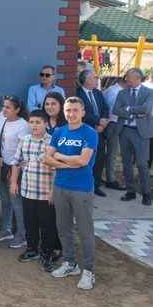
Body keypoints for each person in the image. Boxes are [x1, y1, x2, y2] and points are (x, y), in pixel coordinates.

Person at [43, 97, 98, 290]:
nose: (71, 114)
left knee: (85, 232)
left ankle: (89, 271)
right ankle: (70, 263)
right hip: (60, 186)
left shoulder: (90, 133)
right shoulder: (59, 132)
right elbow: (46, 158)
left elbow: (83, 161)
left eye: (75, 110)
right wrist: (67, 162)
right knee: (63, 228)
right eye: (68, 110)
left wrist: (59, 157)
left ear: (82, 112)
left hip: (82, 189)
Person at [10, 110, 59, 271]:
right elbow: (16, 163)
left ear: (45, 123)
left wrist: (53, 191)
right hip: (28, 190)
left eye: (38, 122)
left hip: (46, 192)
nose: (34, 125)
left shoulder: (52, 142)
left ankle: (47, 252)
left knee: (47, 224)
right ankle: (32, 249)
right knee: (30, 222)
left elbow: (57, 169)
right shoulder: (24, 141)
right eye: (31, 122)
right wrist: (13, 183)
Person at [113, 68, 153, 206]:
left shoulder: (150, 92)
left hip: (141, 132)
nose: (126, 80)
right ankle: (130, 191)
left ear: (138, 78)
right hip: (124, 131)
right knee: (126, 163)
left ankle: (146, 194)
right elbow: (116, 110)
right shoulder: (122, 92)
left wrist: (128, 109)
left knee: (142, 164)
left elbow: (147, 109)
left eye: (129, 77)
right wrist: (135, 112)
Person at [0, 96, 29, 249]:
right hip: (3, 167)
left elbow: (22, 152)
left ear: (17, 110)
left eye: (8, 107)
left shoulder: (23, 126)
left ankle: (22, 235)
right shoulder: (2, 121)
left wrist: (14, 170)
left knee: (17, 203)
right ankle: (6, 229)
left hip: (16, 170)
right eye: (4, 106)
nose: (4, 109)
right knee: (5, 201)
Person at [76, 69, 110, 197]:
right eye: (95, 77)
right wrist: (98, 121)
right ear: (86, 80)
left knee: (100, 157)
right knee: (85, 158)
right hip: (85, 131)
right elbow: (81, 112)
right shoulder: (78, 94)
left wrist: (103, 123)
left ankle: (95, 185)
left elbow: (106, 108)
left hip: (99, 131)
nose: (97, 79)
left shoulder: (98, 93)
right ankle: (84, 184)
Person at [102, 77, 127, 190]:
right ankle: (110, 179)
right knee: (112, 153)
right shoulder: (115, 92)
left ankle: (105, 177)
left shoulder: (113, 89)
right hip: (113, 124)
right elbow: (113, 111)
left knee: (110, 153)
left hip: (111, 123)